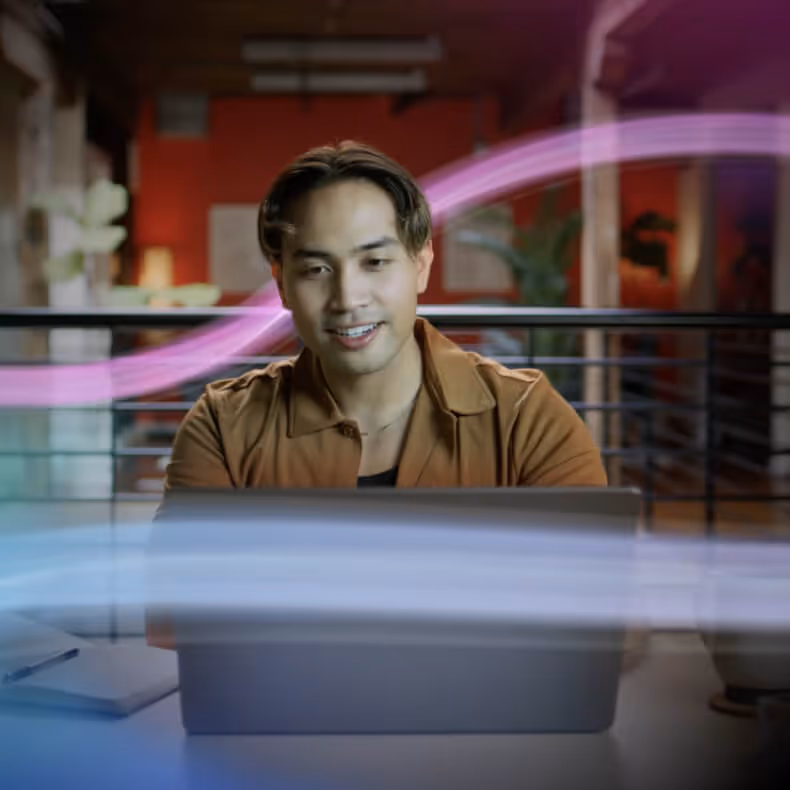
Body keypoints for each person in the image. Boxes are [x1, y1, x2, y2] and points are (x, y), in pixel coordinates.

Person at [146, 141, 606, 647]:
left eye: (376, 261)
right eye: (317, 269)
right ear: (281, 283)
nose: (348, 298)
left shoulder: (527, 418)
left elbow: (599, 614)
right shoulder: (222, 426)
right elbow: (177, 620)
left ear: (421, 263)